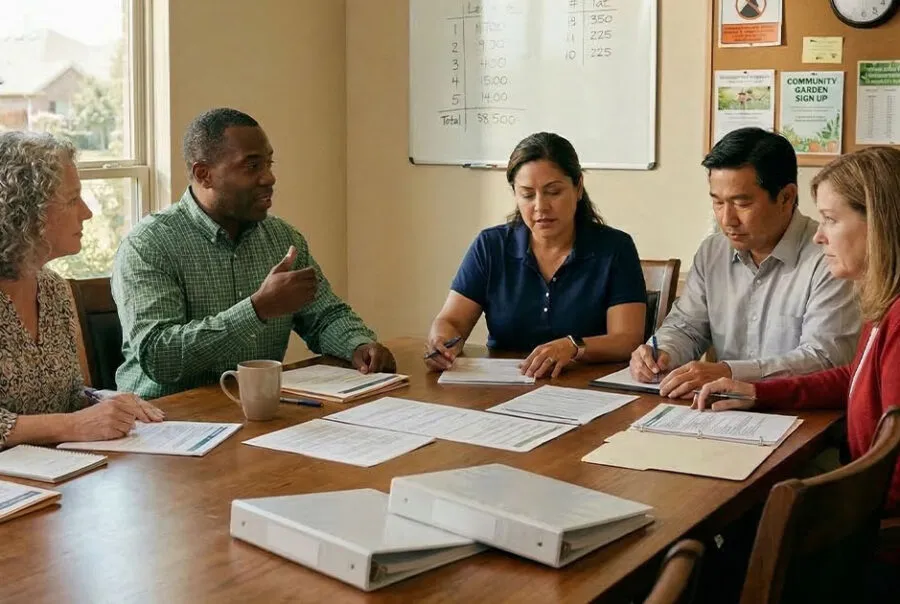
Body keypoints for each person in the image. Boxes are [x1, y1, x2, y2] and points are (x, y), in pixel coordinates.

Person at [695, 147, 900, 600]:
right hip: (861, 512)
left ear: (880, 224)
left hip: (875, 543)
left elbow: (890, 472)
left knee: (713, 546)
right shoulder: (883, 303)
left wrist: (814, 503)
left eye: (830, 219)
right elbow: (853, 377)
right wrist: (760, 392)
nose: (820, 237)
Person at [112, 108, 394, 399]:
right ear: (204, 174)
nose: (269, 178)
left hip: (260, 412)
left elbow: (324, 316)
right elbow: (160, 355)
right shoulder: (148, 246)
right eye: (252, 166)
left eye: (269, 164)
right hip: (167, 424)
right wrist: (257, 309)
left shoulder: (282, 238)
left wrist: (358, 344)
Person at [630, 127, 860, 398]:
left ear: (786, 197)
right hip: (722, 410)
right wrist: (660, 353)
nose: (727, 220)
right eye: (717, 203)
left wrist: (730, 372)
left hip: (802, 413)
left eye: (742, 203)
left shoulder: (829, 256)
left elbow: (825, 359)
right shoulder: (713, 251)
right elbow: (686, 327)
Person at [425, 132, 647, 379]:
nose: (541, 206)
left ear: (578, 187)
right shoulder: (491, 246)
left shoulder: (615, 248)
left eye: (553, 192)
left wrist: (574, 347)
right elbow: (452, 321)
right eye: (528, 195)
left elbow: (626, 339)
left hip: (584, 384)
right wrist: (441, 341)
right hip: (503, 386)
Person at [0, 131, 163, 448]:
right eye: (72, 200)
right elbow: (67, 421)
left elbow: (69, 393)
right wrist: (69, 426)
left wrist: (105, 401)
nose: (87, 212)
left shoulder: (52, 289)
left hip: (56, 475)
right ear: (25, 212)